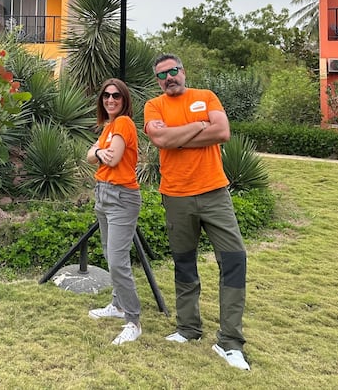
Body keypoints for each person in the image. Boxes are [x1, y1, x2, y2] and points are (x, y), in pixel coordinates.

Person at [144, 54, 250, 371]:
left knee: (233, 259)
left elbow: (222, 132)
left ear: (183, 71)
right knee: (184, 263)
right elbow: (159, 139)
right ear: (158, 80)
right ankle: (188, 329)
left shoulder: (206, 96)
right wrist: (199, 125)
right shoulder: (154, 106)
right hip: (175, 196)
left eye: (174, 71)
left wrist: (178, 137)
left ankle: (230, 342)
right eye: (162, 75)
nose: (169, 78)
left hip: (214, 192)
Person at [87, 78, 142, 346]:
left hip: (121, 197)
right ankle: (117, 306)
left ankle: (133, 320)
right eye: (106, 96)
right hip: (103, 193)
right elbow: (92, 155)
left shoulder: (123, 123)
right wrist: (99, 151)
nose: (110, 100)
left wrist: (98, 152)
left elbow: (115, 157)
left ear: (124, 100)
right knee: (110, 255)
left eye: (116, 96)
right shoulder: (109, 126)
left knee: (117, 261)